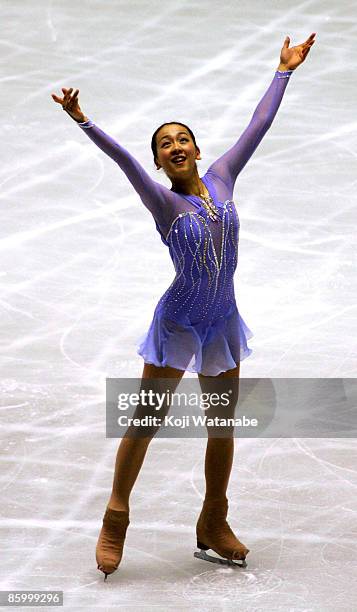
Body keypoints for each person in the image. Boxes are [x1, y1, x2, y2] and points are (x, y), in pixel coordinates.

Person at [52, 32, 316, 580]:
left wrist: (284, 71)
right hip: (179, 321)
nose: (175, 146)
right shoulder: (163, 202)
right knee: (147, 419)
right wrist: (84, 121)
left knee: (223, 425)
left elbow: (258, 125)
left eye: (183, 139)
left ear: (196, 148)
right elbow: (123, 161)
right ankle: (116, 515)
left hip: (221, 320)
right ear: (159, 160)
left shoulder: (222, 178)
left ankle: (213, 520)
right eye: (164, 144)